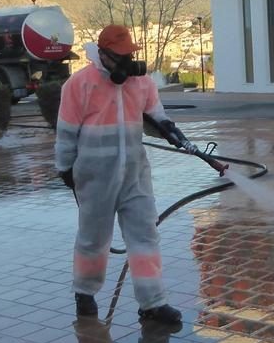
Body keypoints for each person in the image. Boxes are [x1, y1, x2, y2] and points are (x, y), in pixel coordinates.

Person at [55, 24, 198, 326]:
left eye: (127, 55)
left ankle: (153, 303)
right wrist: (65, 168)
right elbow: (66, 133)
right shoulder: (80, 85)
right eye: (118, 56)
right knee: (94, 239)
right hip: (95, 177)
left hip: (134, 173)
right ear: (103, 55)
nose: (124, 62)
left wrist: (169, 129)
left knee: (145, 236)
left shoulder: (141, 83)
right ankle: (84, 293)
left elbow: (155, 116)